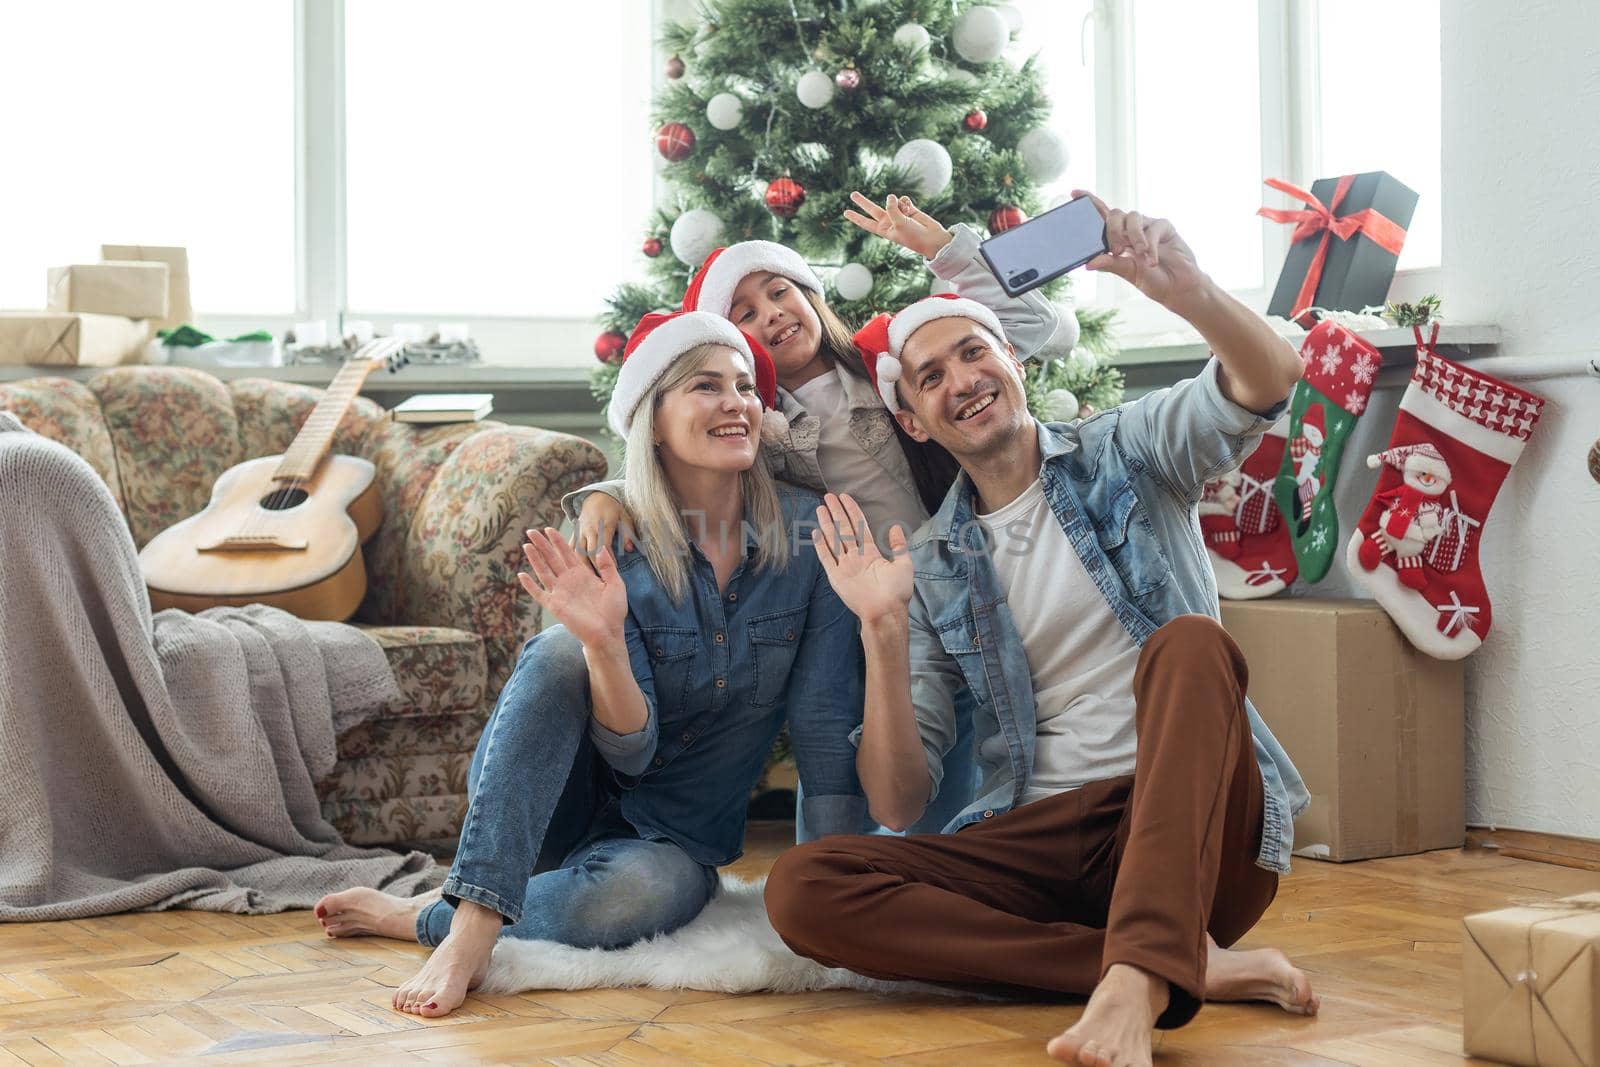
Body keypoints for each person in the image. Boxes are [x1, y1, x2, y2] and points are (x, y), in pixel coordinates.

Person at [763, 193, 1318, 1067]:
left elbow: (1267, 382)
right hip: (1049, 837)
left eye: (973, 352)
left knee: (1191, 644)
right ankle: (1180, 963)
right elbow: (900, 802)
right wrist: (882, 630)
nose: (962, 381)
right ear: (914, 419)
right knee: (801, 887)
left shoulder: (1124, 452)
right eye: (931, 377)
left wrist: (1191, 292)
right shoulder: (935, 560)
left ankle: (1139, 973)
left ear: (1012, 360)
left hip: (1196, 826)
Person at [314, 311, 865, 1019]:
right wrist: (604, 642)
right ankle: (473, 928)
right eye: (706, 385)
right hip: (548, 804)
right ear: (653, 420)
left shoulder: (810, 536)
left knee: (635, 897)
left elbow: (824, 724)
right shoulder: (613, 534)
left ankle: (424, 914)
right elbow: (627, 753)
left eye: (746, 387)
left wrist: (834, 881)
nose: (737, 402)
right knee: (558, 652)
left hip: (672, 840)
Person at [573, 192, 1073, 834]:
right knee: (839, 735)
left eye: (780, 292)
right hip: (849, 609)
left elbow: (1028, 328)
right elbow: (674, 456)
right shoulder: (753, 421)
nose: (773, 315)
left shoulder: (886, 359)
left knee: (953, 778)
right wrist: (611, 494)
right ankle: (832, 857)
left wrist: (946, 252)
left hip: (958, 588)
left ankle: (963, 847)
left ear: (810, 293)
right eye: (745, 313)